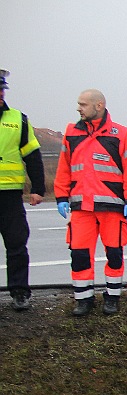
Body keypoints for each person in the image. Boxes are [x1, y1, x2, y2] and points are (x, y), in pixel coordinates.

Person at [54, 89, 127, 316]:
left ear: (99, 105)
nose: (78, 108)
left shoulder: (121, 134)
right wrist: (61, 196)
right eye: (78, 104)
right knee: (80, 255)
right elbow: (64, 167)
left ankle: (112, 297)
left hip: (112, 207)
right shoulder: (71, 133)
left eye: (83, 104)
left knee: (114, 254)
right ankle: (83, 299)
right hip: (82, 207)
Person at [0, 69, 45, 311]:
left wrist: (38, 188)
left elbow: (33, 156)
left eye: (1, 89)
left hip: (9, 195)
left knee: (17, 244)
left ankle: (19, 292)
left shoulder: (18, 119)